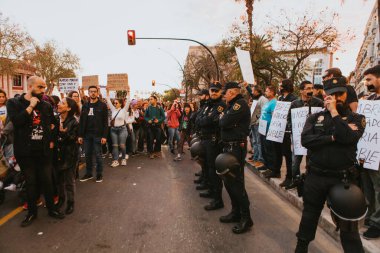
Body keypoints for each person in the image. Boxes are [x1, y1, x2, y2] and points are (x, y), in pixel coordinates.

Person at [295, 77, 366, 252]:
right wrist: (333, 137)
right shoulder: (315, 117)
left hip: (343, 180)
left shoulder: (357, 118)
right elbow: (306, 140)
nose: (336, 98)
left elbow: (348, 138)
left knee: (348, 227)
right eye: (332, 94)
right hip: (316, 178)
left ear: (346, 94)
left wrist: (335, 114)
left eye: (340, 94)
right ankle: (301, 248)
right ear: (326, 95)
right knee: (309, 217)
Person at [6, 76, 65, 227]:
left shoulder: (45, 105)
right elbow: (17, 122)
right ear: (30, 86)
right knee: (31, 183)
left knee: (47, 180)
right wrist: (30, 107)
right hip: (25, 152)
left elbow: (53, 123)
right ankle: (32, 213)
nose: (43, 90)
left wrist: (51, 140)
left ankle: (52, 209)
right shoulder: (14, 103)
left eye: (44, 87)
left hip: (43, 151)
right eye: (40, 87)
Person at [219, 82, 253, 234]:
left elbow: (224, 122)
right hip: (229, 146)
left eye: (225, 93)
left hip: (236, 147)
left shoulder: (240, 104)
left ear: (232, 92)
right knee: (228, 181)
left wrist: (224, 119)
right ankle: (235, 212)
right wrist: (224, 119)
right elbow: (224, 123)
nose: (223, 95)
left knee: (237, 183)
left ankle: (246, 218)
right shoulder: (232, 105)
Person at [285, 81, 324, 190]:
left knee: (310, 163)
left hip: (312, 138)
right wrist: (293, 132)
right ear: (301, 91)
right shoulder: (295, 104)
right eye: (307, 88)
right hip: (298, 138)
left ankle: (307, 184)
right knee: (295, 163)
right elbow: (289, 119)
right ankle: (296, 180)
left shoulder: (319, 103)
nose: (310, 90)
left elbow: (322, 119)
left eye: (311, 88)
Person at [196, 82, 226, 211]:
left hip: (214, 141)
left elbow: (211, 120)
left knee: (214, 170)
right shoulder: (208, 105)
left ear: (220, 92)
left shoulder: (221, 106)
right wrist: (204, 121)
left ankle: (218, 199)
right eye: (212, 90)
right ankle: (211, 190)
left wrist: (204, 121)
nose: (213, 93)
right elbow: (197, 119)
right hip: (205, 139)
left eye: (216, 91)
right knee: (207, 167)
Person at [361, 64, 380, 239]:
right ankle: (371, 215)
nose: (366, 83)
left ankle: (377, 223)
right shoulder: (370, 100)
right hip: (368, 152)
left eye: (369, 79)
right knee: (368, 187)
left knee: (378, 188)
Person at [78, 86, 108, 183]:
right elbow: (82, 121)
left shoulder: (102, 105)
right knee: (87, 155)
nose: (93, 93)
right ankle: (89, 173)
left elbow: (105, 122)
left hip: (98, 135)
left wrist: (104, 136)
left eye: (95, 91)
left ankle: (99, 174)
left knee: (98, 155)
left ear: (97, 92)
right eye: (91, 92)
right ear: (88, 93)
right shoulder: (85, 106)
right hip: (87, 135)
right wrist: (80, 135)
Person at [56, 97, 79, 214]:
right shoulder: (55, 119)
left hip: (69, 154)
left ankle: (70, 203)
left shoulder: (74, 122)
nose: (59, 104)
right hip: (57, 154)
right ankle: (61, 200)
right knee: (59, 180)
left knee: (69, 181)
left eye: (62, 103)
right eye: (59, 102)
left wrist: (63, 132)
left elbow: (72, 139)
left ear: (68, 108)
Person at [277, 79, 298, 185]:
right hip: (281, 130)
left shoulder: (293, 99)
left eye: (280, 85)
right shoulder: (280, 98)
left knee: (291, 156)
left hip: (289, 131)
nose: (279, 87)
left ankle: (291, 177)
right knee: (284, 154)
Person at [243, 83, 268, 168]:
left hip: (258, 124)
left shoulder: (263, 99)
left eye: (253, 91)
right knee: (254, 142)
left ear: (257, 91)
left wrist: (258, 121)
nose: (252, 92)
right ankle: (256, 157)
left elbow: (264, 111)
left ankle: (260, 160)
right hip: (253, 123)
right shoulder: (256, 98)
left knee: (259, 142)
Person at [105, 90, 131, 167]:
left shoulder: (124, 110)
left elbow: (128, 101)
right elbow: (108, 100)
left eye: (116, 103)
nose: (114, 104)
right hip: (113, 130)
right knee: (115, 145)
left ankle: (123, 158)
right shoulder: (113, 109)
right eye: (114, 103)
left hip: (122, 129)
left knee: (122, 145)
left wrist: (128, 91)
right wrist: (107, 91)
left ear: (120, 104)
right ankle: (115, 160)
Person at [259, 86, 280, 177]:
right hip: (263, 128)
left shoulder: (274, 102)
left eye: (267, 91)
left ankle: (271, 169)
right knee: (264, 148)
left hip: (269, 129)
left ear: (272, 92)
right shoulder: (268, 102)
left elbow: (274, 116)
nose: (265, 92)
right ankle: (266, 165)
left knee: (270, 150)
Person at [193, 89, 211, 190]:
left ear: (206, 96)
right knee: (203, 160)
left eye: (201, 95)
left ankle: (207, 182)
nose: (200, 97)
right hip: (203, 135)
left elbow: (205, 120)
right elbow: (197, 118)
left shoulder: (208, 105)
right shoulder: (204, 105)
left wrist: (199, 121)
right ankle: (204, 178)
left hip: (209, 138)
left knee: (208, 163)